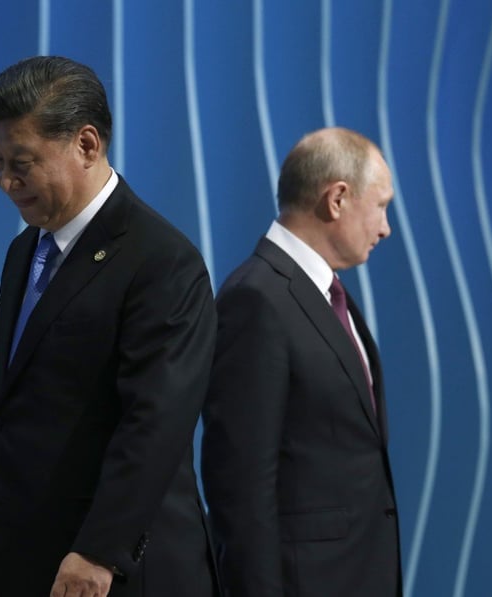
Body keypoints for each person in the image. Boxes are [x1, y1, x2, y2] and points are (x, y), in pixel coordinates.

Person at [0, 56, 219, 597]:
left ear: (87, 144)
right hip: (24, 558)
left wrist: (99, 551)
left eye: (22, 162)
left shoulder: (162, 261)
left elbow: (155, 422)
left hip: (109, 572)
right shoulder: (24, 251)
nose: (5, 181)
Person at [200, 127, 401, 596]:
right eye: (381, 205)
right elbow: (241, 482)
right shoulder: (257, 297)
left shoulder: (330, 297)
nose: (385, 227)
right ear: (337, 198)